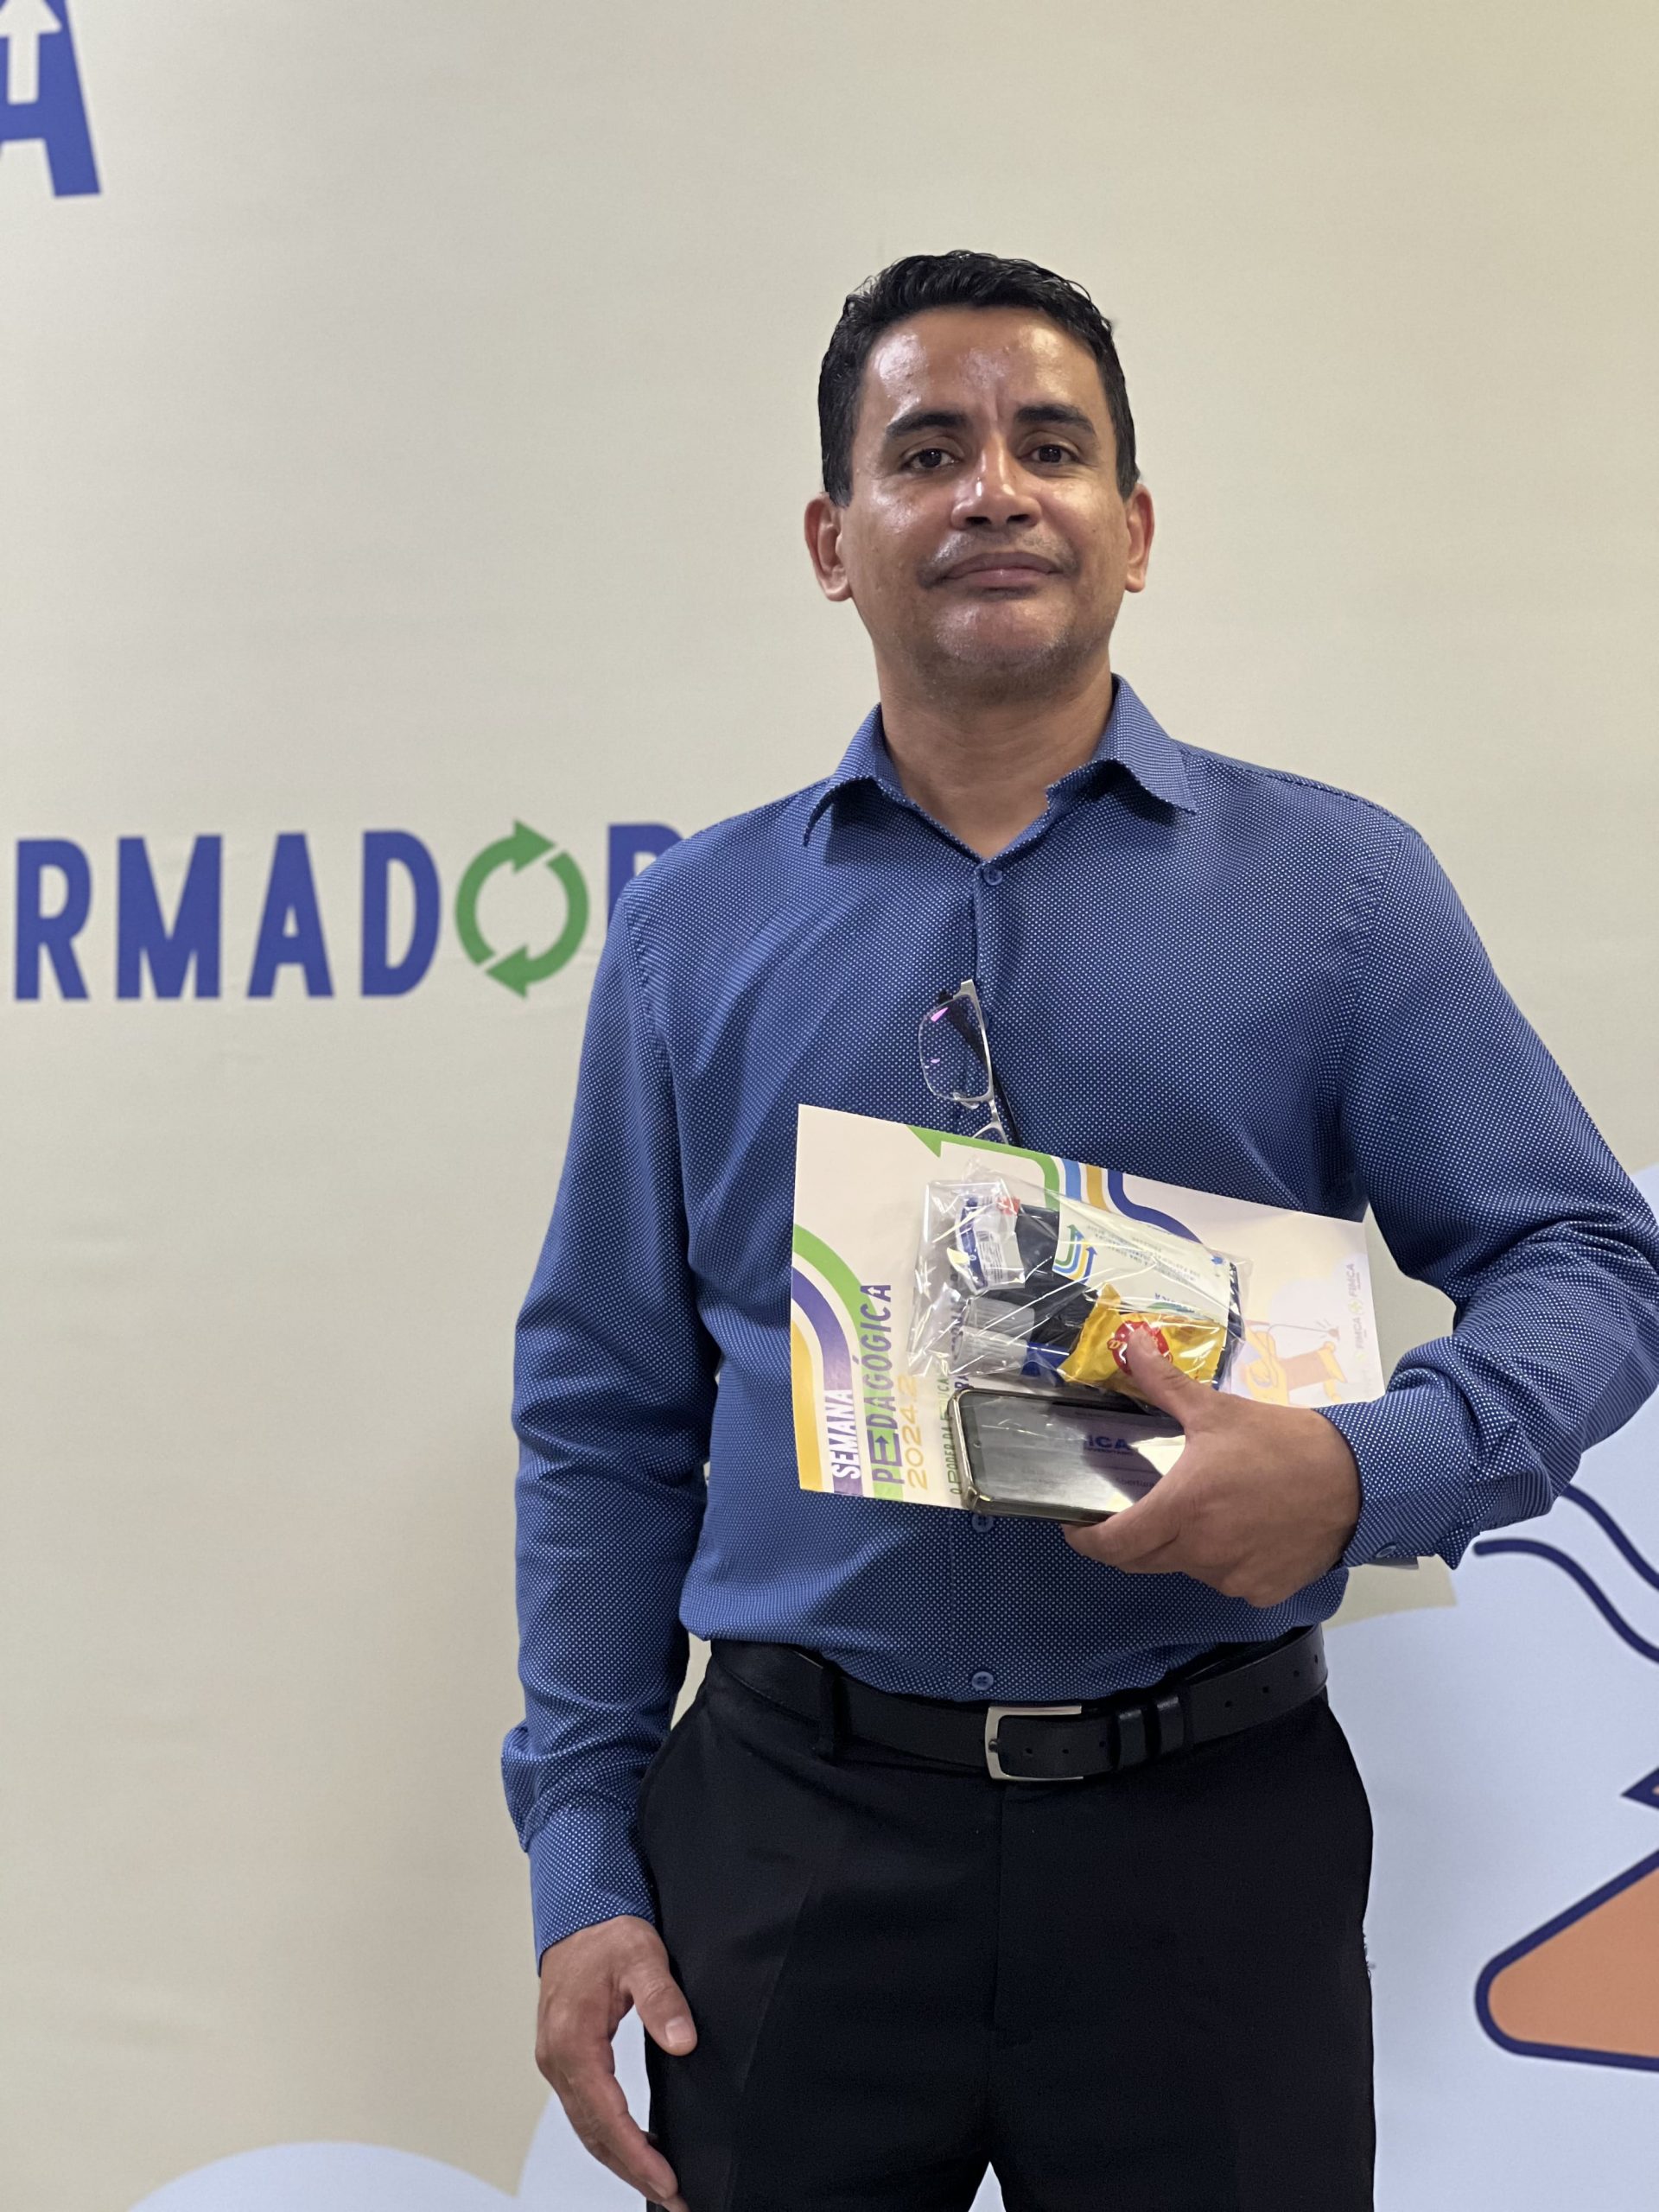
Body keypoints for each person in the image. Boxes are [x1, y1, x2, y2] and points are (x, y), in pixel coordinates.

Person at [502, 251, 1659, 2211]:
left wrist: (1362, 1471)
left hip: (1210, 1838)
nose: (994, 490)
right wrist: (581, 1858)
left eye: (1051, 447)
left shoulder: (1339, 892)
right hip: (786, 1844)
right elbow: (606, 1417)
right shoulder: (693, 929)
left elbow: (1591, 1261)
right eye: (925, 452)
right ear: (832, 540)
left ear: (1134, 525)